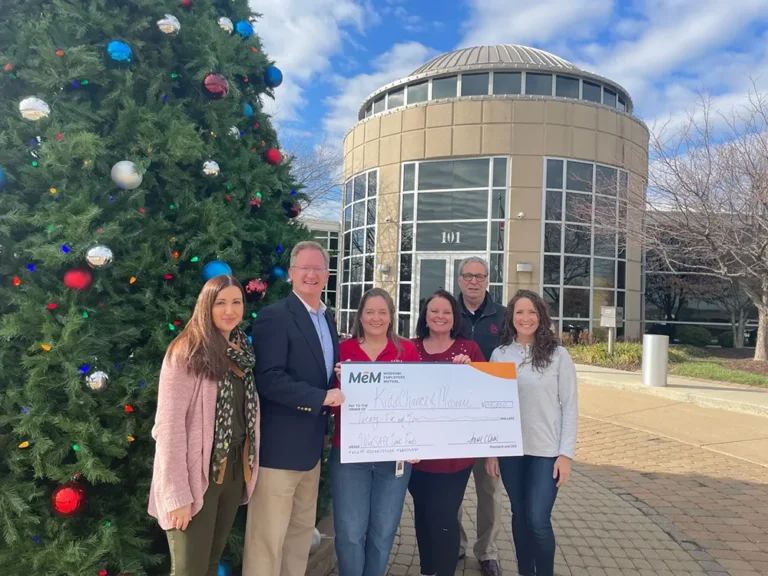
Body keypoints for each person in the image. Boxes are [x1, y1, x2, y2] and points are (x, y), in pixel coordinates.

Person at [148, 275, 260, 576]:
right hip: (196, 474)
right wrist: (177, 495)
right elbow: (169, 426)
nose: (229, 310)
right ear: (206, 306)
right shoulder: (187, 352)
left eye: (236, 302)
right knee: (190, 570)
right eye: (220, 303)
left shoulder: (242, 352)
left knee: (210, 565)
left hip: (233, 470)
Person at [243, 241, 343, 576]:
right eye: (304, 268)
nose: (311, 275)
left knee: (299, 537)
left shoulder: (327, 319)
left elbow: (320, 372)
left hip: (311, 449)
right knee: (267, 540)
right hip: (279, 451)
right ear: (291, 273)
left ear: (327, 275)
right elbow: (268, 379)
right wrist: (320, 397)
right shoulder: (275, 316)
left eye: (318, 269)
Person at [485, 290, 578, 576]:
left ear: (541, 316)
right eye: (519, 312)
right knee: (520, 515)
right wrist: (492, 452)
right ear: (511, 318)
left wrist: (566, 454)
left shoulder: (558, 355)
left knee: (538, 519)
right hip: (511, 452)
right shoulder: (500, 355)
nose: (526, 318)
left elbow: (570, 406)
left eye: (532, 312)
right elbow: (492, 407)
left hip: (546, 453)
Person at [330, 288, 420, 576]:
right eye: (369, 312)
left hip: (393, 456)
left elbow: (419, 402)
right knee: (349, 532)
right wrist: (339, 382)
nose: (376, 318)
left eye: (382, 312)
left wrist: (417, 443)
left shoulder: (407, 351)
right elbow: (328, 404)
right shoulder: (342, 350)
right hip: (349, 455)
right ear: (360, 316)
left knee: (383, 532)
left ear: (391, 316)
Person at [409, 290, 486, 576]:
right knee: (422, 514)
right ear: (425, 316)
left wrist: (471, 373)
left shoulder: (469, 350)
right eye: (434, 311)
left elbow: (485, 396)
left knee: (443, 516)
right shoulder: (410, 348)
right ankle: (427, 570)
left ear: (455, 318)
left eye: (446, 312)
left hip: (454, 456)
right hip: (417, 454)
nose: (440, 316)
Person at [454, 257, 505, 576]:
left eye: (480, 276)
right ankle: (455, 545)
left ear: (488, 280)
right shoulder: (446, 311)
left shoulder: (503, 316)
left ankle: (487, 551)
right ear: (459, 279)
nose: (473, 281)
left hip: (489, 418)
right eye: (468, 276)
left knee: (489, 489)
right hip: (452, 416)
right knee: (452, 489)